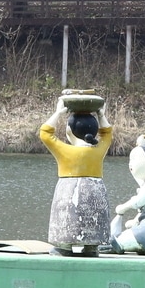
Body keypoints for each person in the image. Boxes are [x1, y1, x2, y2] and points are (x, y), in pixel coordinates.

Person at [39, 96, 112, 256]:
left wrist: (58, 112)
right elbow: (107, 133)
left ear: (69, 131)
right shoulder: (98, 150)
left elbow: (45, 132)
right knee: (93, 217)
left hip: (69, 190)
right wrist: (101, 115)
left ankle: (64, 246)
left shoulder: (65, 150)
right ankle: (91, 247)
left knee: (68, 215)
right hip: (95, 190)